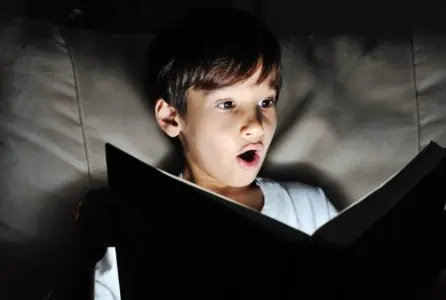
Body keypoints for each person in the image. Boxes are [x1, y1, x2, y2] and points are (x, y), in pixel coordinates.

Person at [90, 6, 338, 299]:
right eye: (227, 104)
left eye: (266, 102)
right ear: (171, 117)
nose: (256, 127)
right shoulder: (140, 229)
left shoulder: (311, 209)